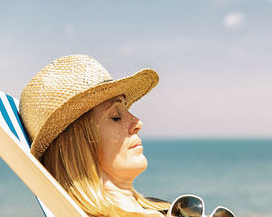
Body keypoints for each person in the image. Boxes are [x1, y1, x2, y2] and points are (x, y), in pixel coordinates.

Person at [19, 54, 170, 217]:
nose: (137, 122)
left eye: (126, 109)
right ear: (76, 145)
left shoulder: (162, 208)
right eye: (115, 116)